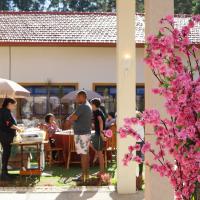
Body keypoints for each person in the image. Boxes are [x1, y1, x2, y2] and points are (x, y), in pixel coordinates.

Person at [67, 90, 92, 182]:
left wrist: (71, 117)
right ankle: (86, 175)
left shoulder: (82, 107)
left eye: (78, 97)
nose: (76, 99)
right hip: (85, 133)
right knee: (85, 155)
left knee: (83, 155)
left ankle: (83, 176)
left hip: (81, 134)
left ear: (83, 97)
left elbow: (72, 118)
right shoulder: (87, 106)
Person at [0, 98, 22, 181]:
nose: (14, 107)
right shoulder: (4, 111)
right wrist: (19, 128)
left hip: (6, 135)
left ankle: (5, 172)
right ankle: (3, 174)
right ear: (9, 103)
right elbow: (9, 124)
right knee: (6, 153)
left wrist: (17, 127)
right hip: (5, 135)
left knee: (7, 153)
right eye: (14, 105)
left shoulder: (6, 111)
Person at [90, 98, 107, 176]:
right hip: (97, 134)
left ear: (93, 104)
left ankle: (102, 171)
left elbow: (100, 121)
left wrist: (101, 134)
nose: (90, 105)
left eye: (91, 104)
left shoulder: (97, 111)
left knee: (100, 153)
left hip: (99, 134)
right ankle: (96, 151)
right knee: (88, 141)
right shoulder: (98, 111)